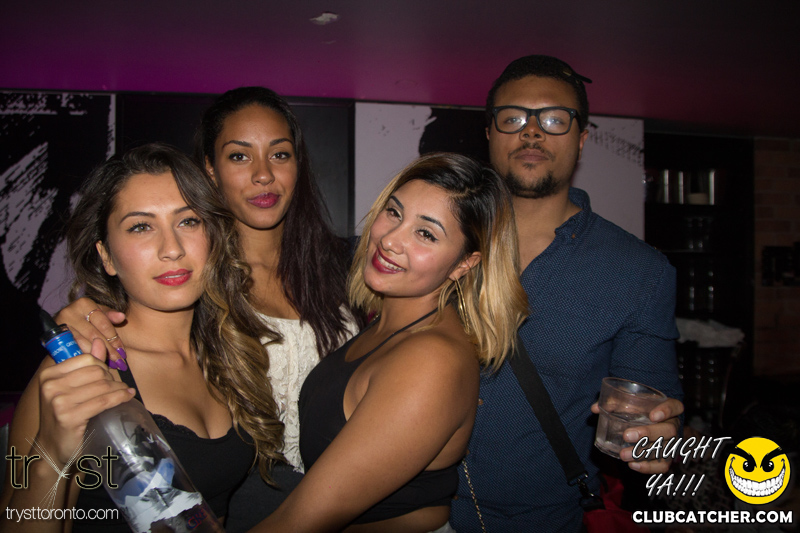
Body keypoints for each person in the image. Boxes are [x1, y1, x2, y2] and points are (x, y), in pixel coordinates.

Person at [54, 87, 361, 529]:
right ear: (209, 171)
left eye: (280, 154)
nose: (263, 175)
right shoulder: (189, 293)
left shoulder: (344, 265)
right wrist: (80, 316)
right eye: (239, 156)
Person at [449, 55, 685, 532]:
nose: (532, 132)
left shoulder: (639, 272)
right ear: (489, 132)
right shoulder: (437, 235)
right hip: (409, 509)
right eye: (513, 118)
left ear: (581, 138)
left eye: (555, 119)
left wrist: (658, 431)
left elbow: (652, 401)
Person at [0, 143, 282, 532]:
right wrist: (51, 450)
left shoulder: (228, 353)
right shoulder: (80, 365)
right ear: (106, 256)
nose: (172, 249)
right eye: (141, 227)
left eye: (189, 221)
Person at [250, 153, 528, 532]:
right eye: (394, 213)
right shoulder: (389, 322)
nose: (390, 239)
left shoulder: (431, 359)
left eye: (426, 234)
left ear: (465, 263)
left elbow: (300, 523)